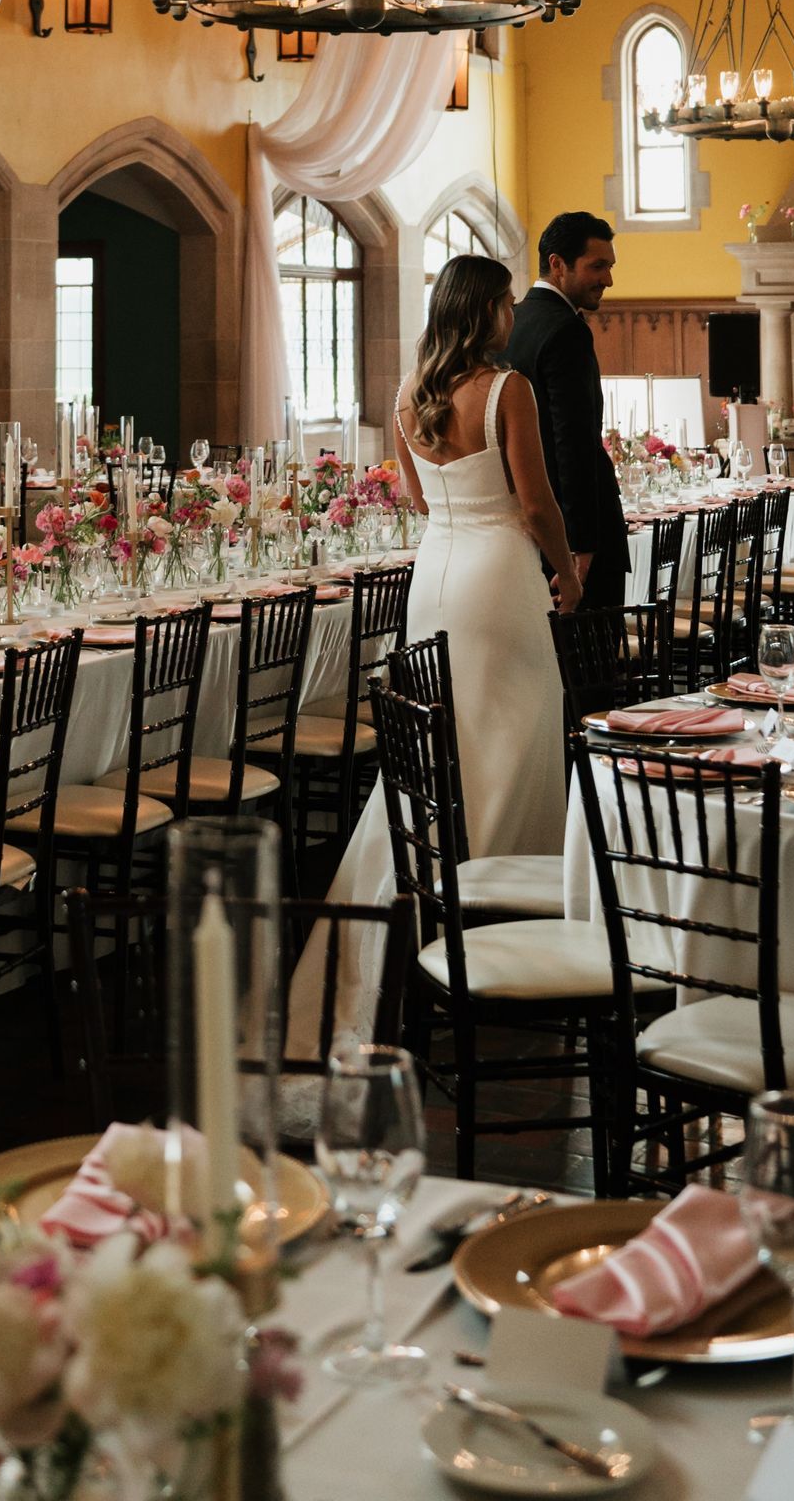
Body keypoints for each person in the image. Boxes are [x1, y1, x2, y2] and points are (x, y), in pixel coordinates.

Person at [284, 253, 581, 1059]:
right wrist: (565, 568)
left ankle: (416, 918)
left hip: (436, 574)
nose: (514, 316)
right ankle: (504, 935)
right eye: (508, 303)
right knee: (513, 738)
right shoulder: (506, 388)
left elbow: (416, 500)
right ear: (486, 308)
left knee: (436, 750)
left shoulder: (411, 399)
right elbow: (536, 499)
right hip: (498, 577)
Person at [505, 210, 628, 613]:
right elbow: (573, 444)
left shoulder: (514, 320)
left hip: (525, 526)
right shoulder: (566, 330)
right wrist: (581, 546)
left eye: (609, 267)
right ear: (558, 264)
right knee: (591, 668)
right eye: (597, 266)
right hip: (570, 536)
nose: (607, 279)